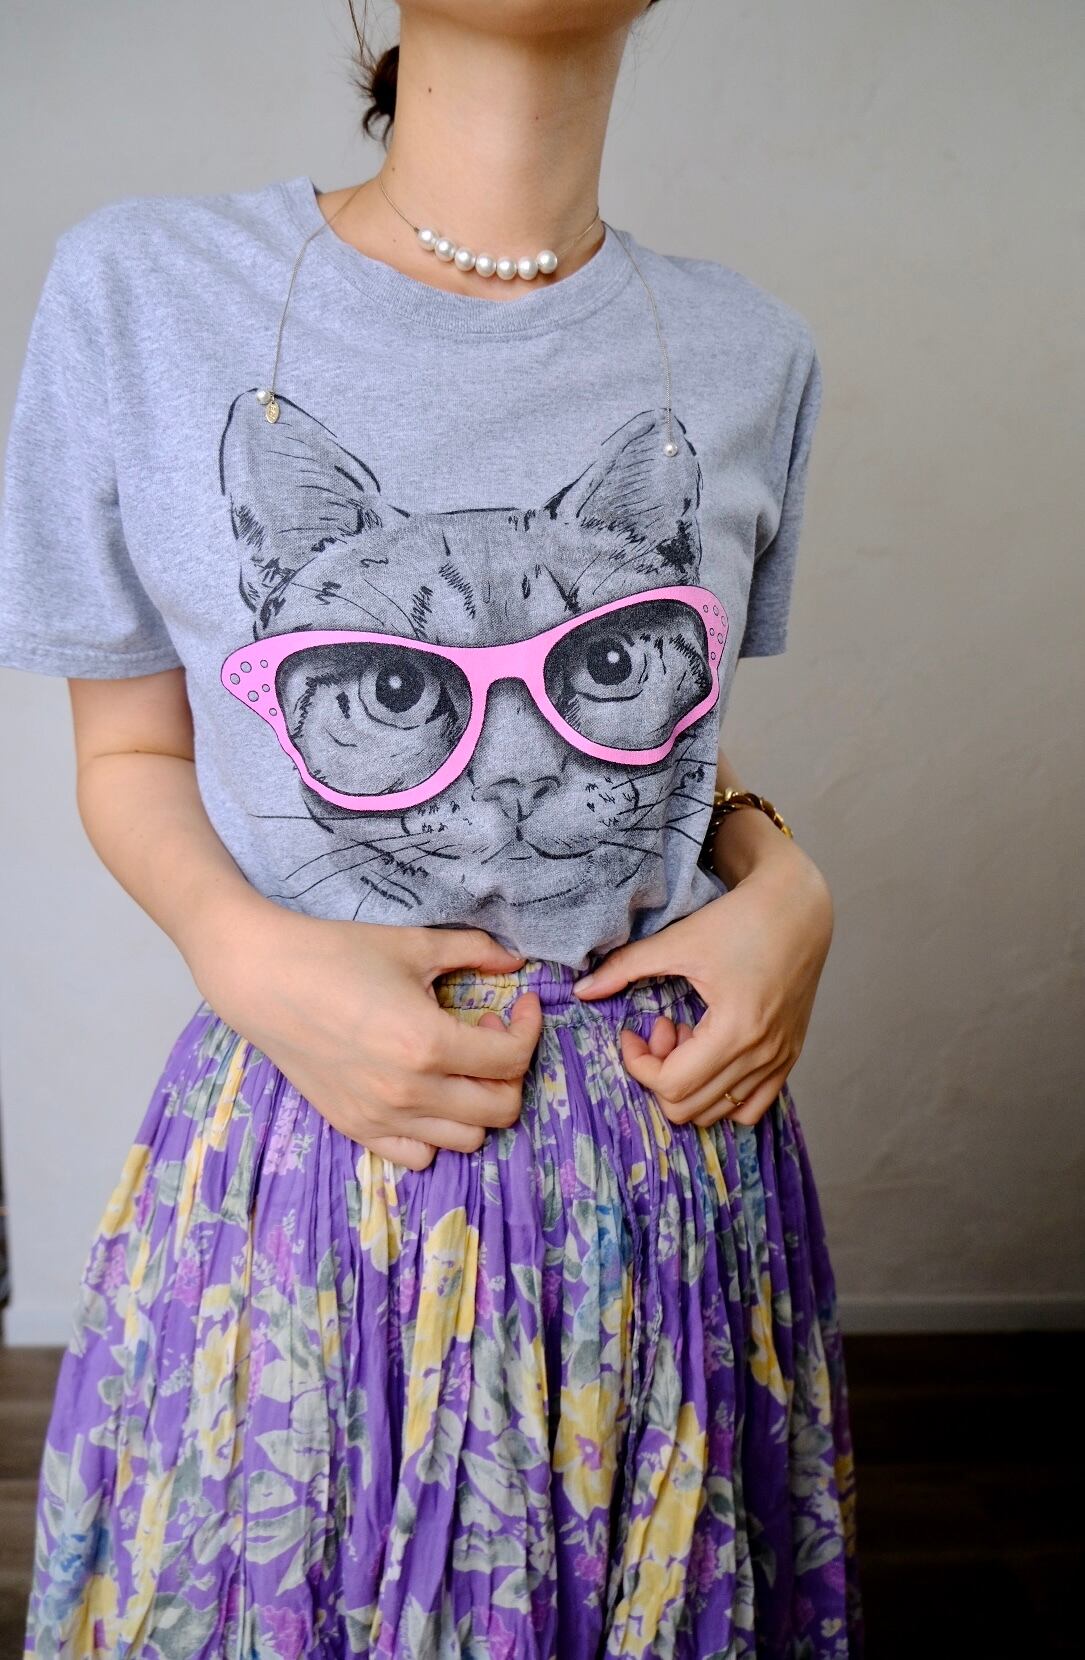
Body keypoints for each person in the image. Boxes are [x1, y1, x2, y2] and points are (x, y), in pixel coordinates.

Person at [0, 1, 865, 1654]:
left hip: (665, 1162)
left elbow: (659, 751)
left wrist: (781, 873)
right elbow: (129, 742)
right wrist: (243, 951)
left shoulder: (748, 350)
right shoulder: (143, 291)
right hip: (318, 1142)